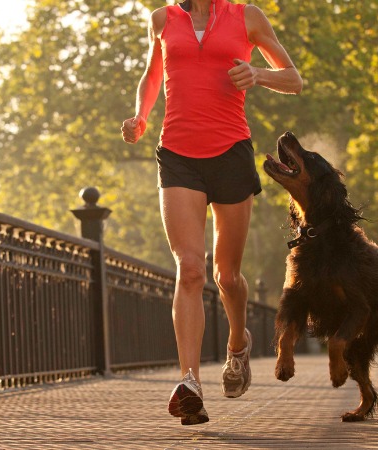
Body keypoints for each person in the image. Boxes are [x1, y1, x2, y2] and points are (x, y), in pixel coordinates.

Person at [121, 0, 302, 426]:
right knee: (189, 269)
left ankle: (238, 344)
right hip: (178, 153)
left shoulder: (247, 17)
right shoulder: (163, 19)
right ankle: (190, 384)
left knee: (227, 275)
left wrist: (257, 74)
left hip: (231, 153)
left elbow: (295, 80)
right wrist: (141, 116)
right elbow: (152, 77)